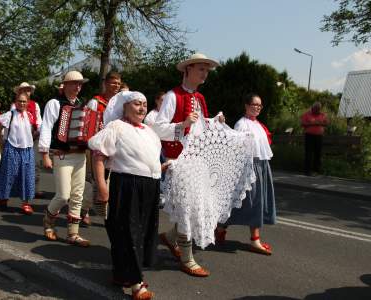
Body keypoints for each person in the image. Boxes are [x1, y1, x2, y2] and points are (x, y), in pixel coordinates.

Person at [152, 53, 224, 277]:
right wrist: (182, 124)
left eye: (207, 70)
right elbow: (157, 127)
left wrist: (214, 122)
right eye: (201, 69)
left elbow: (199, 130)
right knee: (186, 209)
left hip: (197, 161)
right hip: (180, 162)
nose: (204, 73)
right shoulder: (173, 96)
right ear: (188, 70)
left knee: (194, 208)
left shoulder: (200, 98)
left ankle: (171, 237)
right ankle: (186, 258)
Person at [89, 91, 161, 300]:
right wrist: (102, 186)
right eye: (137, 104)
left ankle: (122, 275)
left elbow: (149, 158)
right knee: (129, 232)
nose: (142, 108)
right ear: (125, 107)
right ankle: (137, 285)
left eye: (144, 104)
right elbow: (99, 157)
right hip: (126, 186)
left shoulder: (149, 131)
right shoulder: (116, 127)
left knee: (143, 231)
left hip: (149, 187)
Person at [39, 70, 97, 247]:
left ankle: (73, 233)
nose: (78, 86)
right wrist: (44, 153)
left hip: (80, 155)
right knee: (64, 195)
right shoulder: (54, 103)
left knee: (77, 195)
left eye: (80, 84)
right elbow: (47, 127)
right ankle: (48, 221)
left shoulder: (83, 105)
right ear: (64, 85)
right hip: (61, 154)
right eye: (74, 83)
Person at [215, 93, 276, 255]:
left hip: (262, 166)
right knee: (245, 202)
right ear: (246, 106)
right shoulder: (241, 124)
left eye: (259, 105)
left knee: (254, 202)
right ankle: (223, 229)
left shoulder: (259, 125)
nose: (257, 107)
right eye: (254, 104)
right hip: (248, 168)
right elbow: (236, 147)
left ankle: (224, 230)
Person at [81, 71, 122, 226]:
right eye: (113, 82)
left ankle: (108, 214)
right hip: (96, 149)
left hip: (114, 149)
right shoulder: (95, 102)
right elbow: (86, 126)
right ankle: (83, 211)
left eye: (118, 83)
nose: (116, 86)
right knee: (92, 183)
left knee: (111, 182)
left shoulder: (120, 104)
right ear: (106, 83)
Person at [0, 92, 36, 214]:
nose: (22, 103)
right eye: (19, 101)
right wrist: (2, 145)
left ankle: (25, 203)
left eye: (24, 101)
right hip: (12, 148)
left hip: (27, 149)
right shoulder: (9, 115)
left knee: (27, 176)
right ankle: (3, 198)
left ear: (28, 103)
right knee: (8, 175)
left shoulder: (30, 115)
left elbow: (31, 131)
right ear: (15, 102)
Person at [12, 82, 43, 196]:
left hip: (33, 137)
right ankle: (17, 187)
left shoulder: (35, 105)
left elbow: (39, 121)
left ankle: (35, 188)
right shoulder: (14, 106)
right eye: (24, 89)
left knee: (35, 164)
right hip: (19, 140)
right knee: (17, 164)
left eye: (28, 90)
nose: (26, 92)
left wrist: (38, 132)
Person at [301, 102, 329, 176]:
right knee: (309, 153)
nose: (317, 110)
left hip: (319, 136)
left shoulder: (323, 115)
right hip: (309, 136)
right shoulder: (307, 114)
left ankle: (316, 170)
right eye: (315, 109)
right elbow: (303, 124)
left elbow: (326, 123)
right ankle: (307, 171)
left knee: (318, 153)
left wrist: (319, 123)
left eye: (318, 109)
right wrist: (312, 124)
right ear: (312, 108)